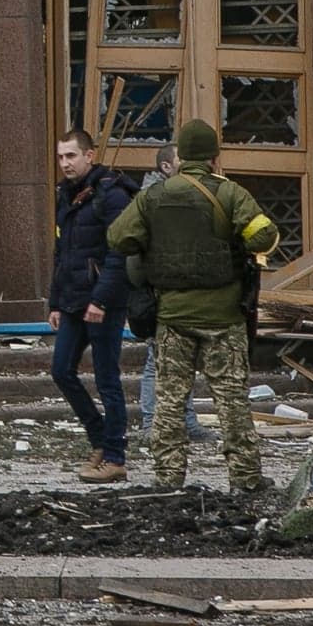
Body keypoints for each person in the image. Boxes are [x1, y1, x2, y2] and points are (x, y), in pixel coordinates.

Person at [107, 120, 278, 495]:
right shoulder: (231, 194)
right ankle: (245, 478)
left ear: (181, 157)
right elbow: (265, 236)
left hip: (172, 318)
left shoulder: (153, 197)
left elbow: (119, 237)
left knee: (169, 401)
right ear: (215, 156)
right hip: (225, 317)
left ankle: (168, 478)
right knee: (232, 402)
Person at [51, 129, 133, 483]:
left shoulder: (111, 195)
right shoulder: (66, 195)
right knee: (61, 370)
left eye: (71, 156)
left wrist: (101, 299)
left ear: (89, 156)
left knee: (107, 380)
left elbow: (120, 253)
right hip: (72, 301)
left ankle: (115, 456)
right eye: (61, 157)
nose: (65, 163)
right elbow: (62, 253)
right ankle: (99, 438)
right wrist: (55, 301)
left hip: (103, 303)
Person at [133, 143, 208, 442]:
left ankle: (187, 420)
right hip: (160, 289)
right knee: (157, 356)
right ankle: (151, 421)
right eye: (182, 160)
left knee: (183, 355)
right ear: (166, 167)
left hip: (183, 287)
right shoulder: (151, 201)